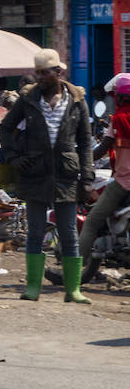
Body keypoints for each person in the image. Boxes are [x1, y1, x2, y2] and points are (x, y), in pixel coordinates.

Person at [0, 49, 93, 304]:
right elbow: (5, 127)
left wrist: (87, 177)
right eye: (37, 72)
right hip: (34, 173)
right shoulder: (28, 99)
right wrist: (12, 157)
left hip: (66, 174)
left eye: (44, 73)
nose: (39, 77)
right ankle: (33, 287)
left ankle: (72, 290)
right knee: (36, 233)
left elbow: (85, 141)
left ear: (58, 72)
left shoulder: (76, 99)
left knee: (69, 233)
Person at [83, 74, 130, 285]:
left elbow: (102, 150)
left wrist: (81, 157)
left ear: (119, 97)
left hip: (124, 182)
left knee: (92, 221)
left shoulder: (117, 120)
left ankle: (73, 269)